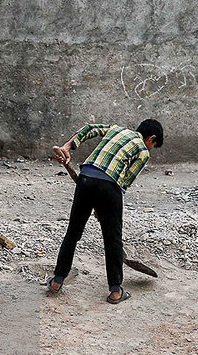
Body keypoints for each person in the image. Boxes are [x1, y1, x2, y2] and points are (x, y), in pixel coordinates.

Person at [48, 119, 164, 303]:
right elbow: (125, 182)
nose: (150, 148)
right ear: (151, 138)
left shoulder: (117, 129)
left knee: (73, 233)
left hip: (85, 178)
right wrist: (105, 205)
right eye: (153, 145)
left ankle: (57, 281)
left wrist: (68, 146)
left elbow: (90, 129)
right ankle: (116, 291)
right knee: (112, 239)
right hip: (109, 187)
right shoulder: (142, 151)